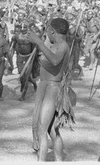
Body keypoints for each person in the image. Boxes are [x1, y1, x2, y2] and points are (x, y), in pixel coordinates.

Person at [27, 18, 70, 161]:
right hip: (45, 86)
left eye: (48, 31)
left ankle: (42, 161)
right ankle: (59, 160)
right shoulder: (55, 43)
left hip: (52, 88)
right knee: (52, 130)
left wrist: (39, 42)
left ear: (52, 31)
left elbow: (55, 60)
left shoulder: (63, 46)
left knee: (42, 129)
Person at [11, 23, 38, 101]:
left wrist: (33, 58)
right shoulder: (16, 36)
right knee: (21, 74)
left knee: (26, 76)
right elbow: (13, 46)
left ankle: (23, 95)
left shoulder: (30, 37)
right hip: (20, 57)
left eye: (25, 27)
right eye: (21, 27)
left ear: (27, 28)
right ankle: (33, 83)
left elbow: (34, 49)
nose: (23, 29)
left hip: (28, 57)